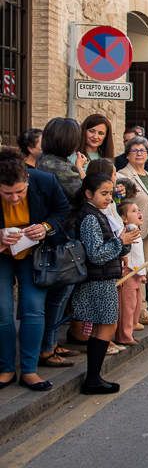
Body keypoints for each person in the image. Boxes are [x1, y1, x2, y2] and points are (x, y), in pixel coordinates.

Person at [0, 147, 70, 392]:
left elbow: (63, 211)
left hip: (35, 255)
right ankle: (6, 368)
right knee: (2, 310)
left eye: (19, 191)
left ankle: (29, 370)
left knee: (33, 309)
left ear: (27, 179)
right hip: (2, 256)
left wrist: (45, 227)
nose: (15, 198)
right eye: (7, 193)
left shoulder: (45, 180)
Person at [72, 173, 141, 394]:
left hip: (104, 276)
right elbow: (96, 254)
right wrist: (120, 241)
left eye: (110, 193)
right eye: (103, 193)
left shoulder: (98, 214)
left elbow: (112, 248)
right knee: (107, 324)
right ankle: (93, 378)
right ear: (88, 194)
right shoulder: (90, 217)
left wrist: (125, 242)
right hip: (98, 278)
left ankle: (95, 376)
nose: (108, 198)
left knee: (106, 324)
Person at [36, 118, 86, 366]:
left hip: (56, 235)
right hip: (61, 237)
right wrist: (81, 170)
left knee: (58, 294)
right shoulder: (58, 167)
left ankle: (52, 343)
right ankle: (47, 347)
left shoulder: (47, 161)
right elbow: (84, 194)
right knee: (59, 293)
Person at [116, 136, 148, 327]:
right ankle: (137, 314)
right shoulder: (123, 175)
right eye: (135, 150)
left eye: (143, 150)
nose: (139, 153)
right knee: (135, 273)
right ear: (127, 155)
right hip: (134, 232)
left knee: (143, 272)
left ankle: (140, 311)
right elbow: (122, 204)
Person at [114, 199, 145, 346]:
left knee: (135, 304)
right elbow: (130, 255)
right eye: (134, 211)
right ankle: (124, 335)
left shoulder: (135, 230)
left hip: (137, 273)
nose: (139, 212)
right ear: (124, 219)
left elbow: (139, 255)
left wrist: (142, 273)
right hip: (129, 272)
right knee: (127, 306)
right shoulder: (130, 229)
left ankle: (130, 330)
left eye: (139, 210)